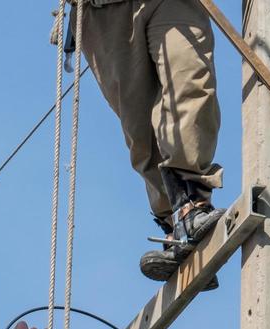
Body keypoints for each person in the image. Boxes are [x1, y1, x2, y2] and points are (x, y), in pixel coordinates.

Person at [57, 0, 225, 283]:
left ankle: (191, 203)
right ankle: (175, 223)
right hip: (104, 11)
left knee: (188, 83)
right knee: (141, 131)